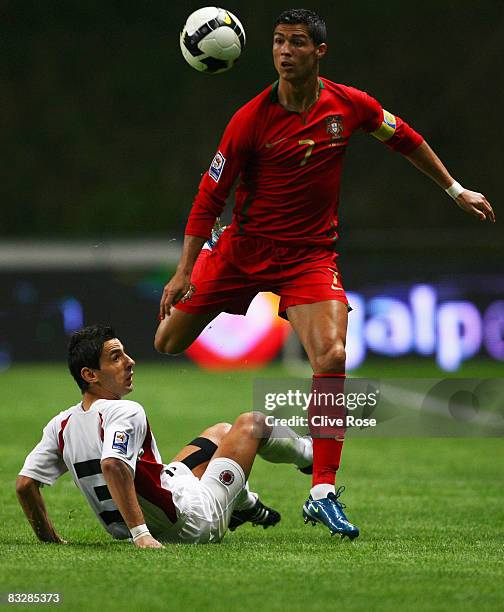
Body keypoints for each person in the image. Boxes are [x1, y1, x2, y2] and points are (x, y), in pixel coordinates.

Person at [154, 9, 495, 536]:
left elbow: (404, 137)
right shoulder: (249, 120)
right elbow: (210, 195)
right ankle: (283, 455)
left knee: (332, 353)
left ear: (319, 52)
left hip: (310, 256)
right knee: (168, 342)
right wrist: (183, 270)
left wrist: (455, 189)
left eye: (295, 43)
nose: (284, 52)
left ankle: (322, 488)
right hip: (241, 250)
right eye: (276, 43)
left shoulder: (349, 105)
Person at [16, 324, 320, 548]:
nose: (130, 361)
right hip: (191, 521)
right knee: (251, 424)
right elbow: (113, 465)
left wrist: (50, 539)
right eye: (116, 357)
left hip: (168, 490)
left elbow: (25, 485)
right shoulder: (125, 411)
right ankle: (309, 453)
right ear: (90, 374)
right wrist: (141, 535)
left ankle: (245, 503)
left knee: (221, 433)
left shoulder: (61, 424)